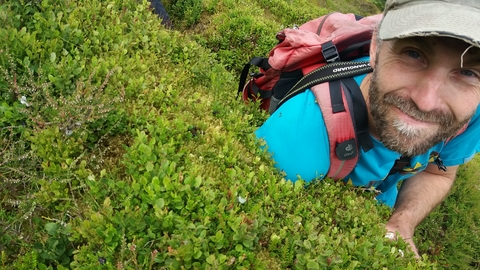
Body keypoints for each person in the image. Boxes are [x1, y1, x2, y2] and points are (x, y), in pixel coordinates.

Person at [255, 0, 480, 258]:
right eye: (413, 54)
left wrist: (402, 221)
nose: (426, 102)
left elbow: (439, 173)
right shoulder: (300, 140)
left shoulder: (471, 112)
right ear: (376, 47)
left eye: (467, 72)